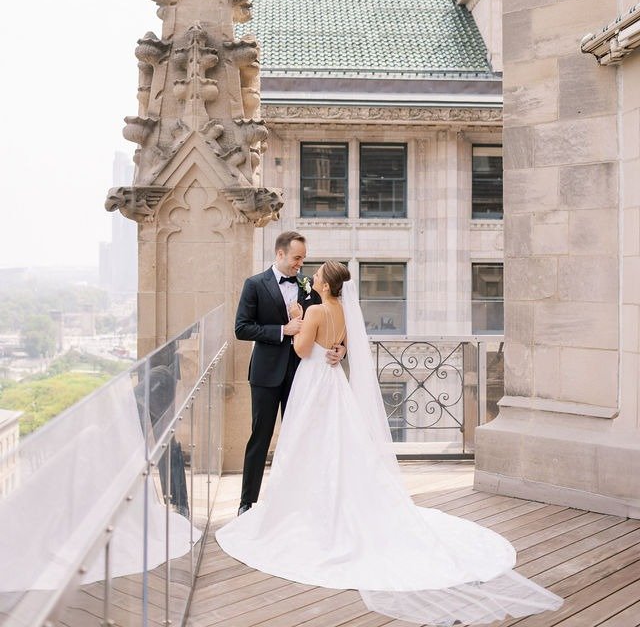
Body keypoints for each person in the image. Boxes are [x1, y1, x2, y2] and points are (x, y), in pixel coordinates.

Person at [217, 261, 563, 626]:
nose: (312, 276)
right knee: (337, 444)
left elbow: (302, 351)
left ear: (326, 284)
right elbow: (341, 347)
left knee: (307, 444)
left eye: (317, 275)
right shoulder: (341, 310)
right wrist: (334, 351)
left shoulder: (316, 309)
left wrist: (298, 318)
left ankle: (307, 506)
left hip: (312, 383)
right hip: (333, 384)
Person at [235, 231, 345, 516]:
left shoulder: (309, 287)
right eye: (297, 258)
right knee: (260, 436)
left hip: (303, 373)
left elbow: (328, 325)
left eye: (303, 258)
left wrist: (339, 350)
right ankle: (247, 502)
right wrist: (282, 330)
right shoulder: (255, 284)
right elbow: (242, 328)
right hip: (265, 373)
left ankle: (295, 501)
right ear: (280, 254)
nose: (300, 263)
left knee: (299, 437)